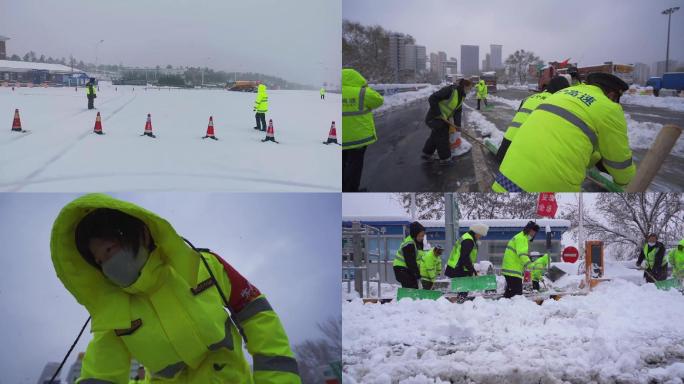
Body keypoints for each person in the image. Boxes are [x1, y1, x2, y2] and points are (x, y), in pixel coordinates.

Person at [51, 194, 300, 383]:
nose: (107, 264)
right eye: (99, 261)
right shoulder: (114, 313)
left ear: (141, 235)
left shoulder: (202, 266)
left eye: (109, 250)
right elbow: (100, 375)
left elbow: (258, 316)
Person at [493, 72, 634, 192]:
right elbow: (619, 162)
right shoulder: (609, 108)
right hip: (546, 188)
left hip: (505, 179)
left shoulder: (560, 94)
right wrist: (625, 184)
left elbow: (566, 141)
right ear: (611, 94)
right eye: (616, 99)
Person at [495, 76, 570, 164]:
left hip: (507, 142)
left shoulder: (529, 98)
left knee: (503, 172)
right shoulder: (555, 102)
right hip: (523, 148)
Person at [342, 68, 384, 192]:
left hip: (338, 137)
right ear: (357, 78)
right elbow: (379, 100)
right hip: (358, 138)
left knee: (341, 163)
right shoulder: (363, 92)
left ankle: (343, 188)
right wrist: (365, 87)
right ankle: (351, 189)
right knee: (355, 164)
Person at [421, 78, 473, 165]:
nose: (470, 90)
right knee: (442, 136)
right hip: (434, 117)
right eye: (469, 88)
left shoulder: (461, 96)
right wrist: (438, 113)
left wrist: (457, 125)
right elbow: (432, 98)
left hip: (443, 118)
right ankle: (445, 159)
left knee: (436, 135)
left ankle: (427, 153)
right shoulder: (450, 90)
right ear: (464, 86)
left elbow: (458, 111)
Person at [445, 223, 489, 300]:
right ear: (477, 233)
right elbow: (464, 257)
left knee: (462, 290)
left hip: (455, 266)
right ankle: (460, 305)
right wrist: (472, 270)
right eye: (480, 235)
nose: (480, 237)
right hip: (459, 268)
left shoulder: (466, 237)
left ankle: (461, 304)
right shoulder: (469, 240)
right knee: (463, 290)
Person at [502, 221, 539, 298]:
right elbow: (522, 254)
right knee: (517, 295)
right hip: (513, 271)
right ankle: (510, 308)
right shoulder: (522, 238)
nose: (533, 235)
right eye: (532, 232)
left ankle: (504, 307)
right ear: (528, 230)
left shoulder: (519, 237)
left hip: (510, 269)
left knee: (510, 294)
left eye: (534, 233)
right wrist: (530, 265)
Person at [393, 221, 425, 289]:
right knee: (412, 287)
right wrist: (418, 275)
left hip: (407, 269)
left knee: (414, 287)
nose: (422, 238)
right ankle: (407, 299)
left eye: (423, 235)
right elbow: (411, 262)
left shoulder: (418, 243)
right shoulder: (409, 244)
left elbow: (419, 259)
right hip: (401, 269)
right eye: (420, 235)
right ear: (415, 234)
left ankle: (409, 299)